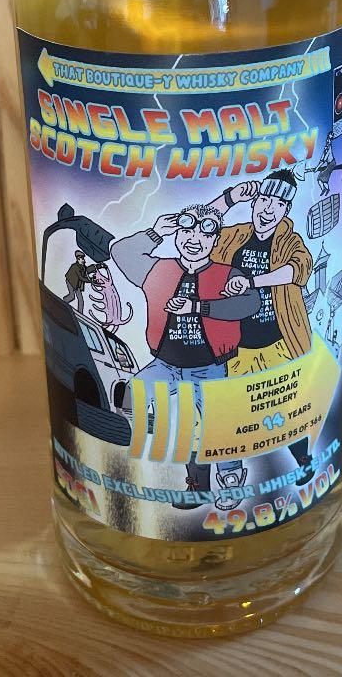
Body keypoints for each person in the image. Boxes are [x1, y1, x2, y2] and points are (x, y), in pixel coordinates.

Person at [111, 205, 260, 506]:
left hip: (210, 367)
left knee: (216, 426)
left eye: (205, 233)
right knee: (133, 395)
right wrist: (155, 233)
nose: (195, 239)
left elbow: (250, 304)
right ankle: (193, 486)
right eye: (187, 230)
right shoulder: (158, 270)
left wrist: (197, 307)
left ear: (215, 240)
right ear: (177, 233)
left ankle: (230, 481)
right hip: (166, 364)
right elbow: (121, 253)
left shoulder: (226, 274)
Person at [210, 170, 316, 480]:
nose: (269, 209)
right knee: (230, 411)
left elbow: (298, 269)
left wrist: (251, 282)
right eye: (264, 200)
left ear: (286, 210)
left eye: (278, 204)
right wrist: (230, 198)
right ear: (254, 202)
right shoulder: (236, 235)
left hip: (277, 342)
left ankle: (304, 461)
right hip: (236, 347)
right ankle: (232, 478)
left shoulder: (289, 241)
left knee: (286, 407)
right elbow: (203, 227)